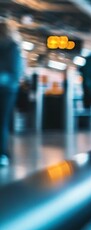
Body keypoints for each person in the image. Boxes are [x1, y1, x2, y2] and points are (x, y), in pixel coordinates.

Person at [0, 20, 23, 166]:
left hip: (6, 89)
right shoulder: (13, 47)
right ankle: (2, 153)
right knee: (3, 122)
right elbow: (16, 72)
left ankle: (3, 152)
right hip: (8, 90)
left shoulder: (8, 47)